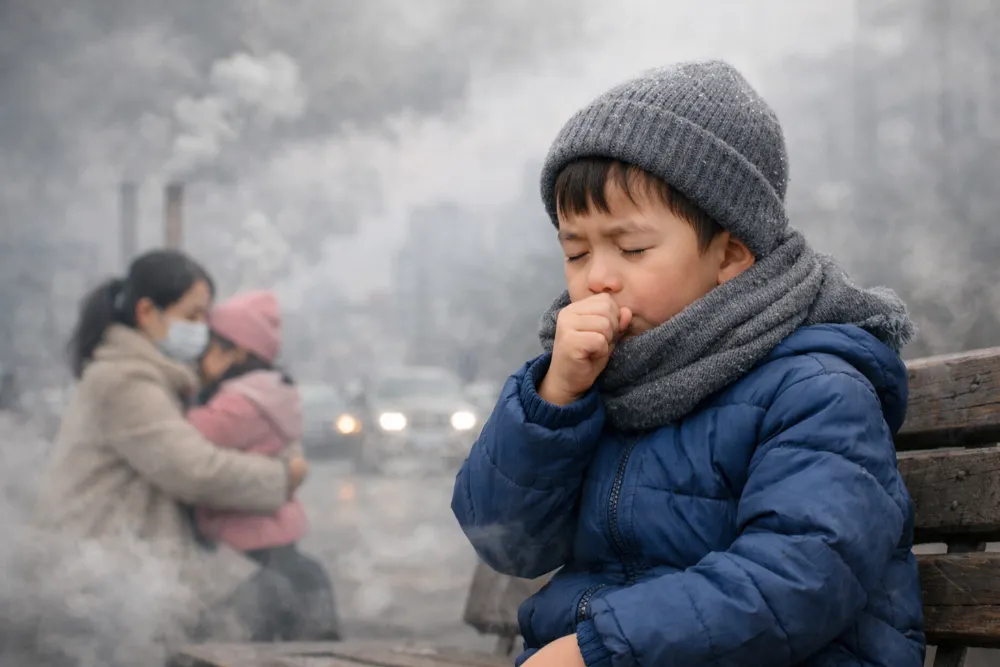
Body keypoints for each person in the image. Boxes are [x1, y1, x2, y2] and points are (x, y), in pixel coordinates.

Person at [451, 61, 924, 667]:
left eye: (632, 249)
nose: (597, 277)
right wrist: (556, 397)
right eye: (575, 252)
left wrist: (599, 650)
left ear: (730, 253)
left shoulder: (817, 389)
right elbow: (508, 542)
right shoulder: (603, 379)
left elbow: (798, 577)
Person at [37, 249, 309, 638]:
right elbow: (194, 471)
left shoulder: (153, 377)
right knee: (291, 587)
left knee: (291, 585)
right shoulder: (125, 380)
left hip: (128, 574)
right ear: (148, 313)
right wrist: (282, 477)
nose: (200, 329)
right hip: (98, 580)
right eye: (192, 316)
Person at [189, 289, 341, 641]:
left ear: (237, 350)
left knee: (248, 633)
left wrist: (189, 390)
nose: (200, 356)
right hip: (272, 536)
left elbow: (182, 438)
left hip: (246, 539)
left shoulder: (240, 403)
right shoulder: (268, 392)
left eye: (210, 344)